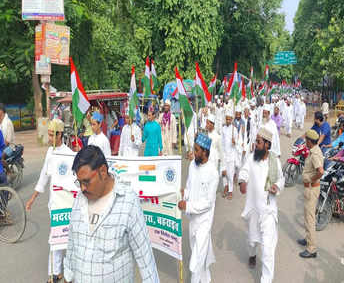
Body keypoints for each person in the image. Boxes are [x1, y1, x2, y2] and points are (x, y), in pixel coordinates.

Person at [63, 145, 160, 283]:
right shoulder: (80, 199)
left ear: (103, 171)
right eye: (79, 183)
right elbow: (73, 242)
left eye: (86, 181)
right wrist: (68, 275)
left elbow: (145, 257)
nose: (82, 188)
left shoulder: (128, 202)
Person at [25, 119, 74, 283]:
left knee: (69, 239)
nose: (50, 137)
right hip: (54, 204)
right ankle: (54, 272)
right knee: (56, 237)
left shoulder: (69, 154)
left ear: (60, 134)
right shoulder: (49, 152)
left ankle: (67, 273)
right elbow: (44, 176)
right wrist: (33, 198)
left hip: (68, 204)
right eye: (49, 134)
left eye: (53, 134)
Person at [238, 127, 285, 282]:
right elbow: (244, 171)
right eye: (256, 141)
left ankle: (266, 279)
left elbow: (281, 178)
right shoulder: (251, 158)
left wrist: (277, 186)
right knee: (252, 240)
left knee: (268, 250)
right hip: (253, 209)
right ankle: (252, 255)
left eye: (258, 142)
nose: (255, 144)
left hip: (268, 211)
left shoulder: (275, 161)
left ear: (267, 145)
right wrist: (242, 181)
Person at [178, 134, 218, 283]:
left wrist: (188, 206)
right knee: (200, 253)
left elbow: (208, 202)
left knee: (196, 259)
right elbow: (189, 187)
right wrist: (184, 194)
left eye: (196, 150)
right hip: (192, 220)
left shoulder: (213, 173)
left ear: (205, 152)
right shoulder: (192, 165)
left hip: (204, 222)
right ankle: (206, 279)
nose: (193, 153)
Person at [297, 129, 324, 259]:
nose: (305, 141)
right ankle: (308, 239)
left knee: (310, 218)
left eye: (306, 139)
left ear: (309, 141)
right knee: (308, 215)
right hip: (311, 188)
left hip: (312, 188)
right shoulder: (315, 150)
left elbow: (320, 171)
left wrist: (311, 179)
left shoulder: (314, 154)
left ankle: (312, 248)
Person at [221, 110, 239, 199]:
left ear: (232, 119)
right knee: (223, 173)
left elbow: (237, 143)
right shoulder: (223, 129)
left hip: (231, 155)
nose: (228, 121)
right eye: (226, 119)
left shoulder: (234, 130)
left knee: (230, 173)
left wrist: (234, 142)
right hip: (224, 154)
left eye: (229, 119)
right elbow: (221, 142)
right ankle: (225, 187)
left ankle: (230, 191)